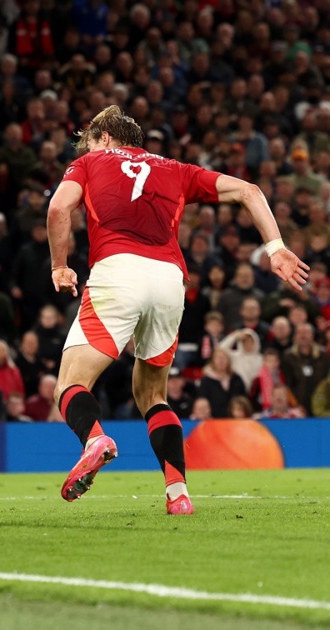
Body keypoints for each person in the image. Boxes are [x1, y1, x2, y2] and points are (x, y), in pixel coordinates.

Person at [47, 106, 308, 515]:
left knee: (69, 383)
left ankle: (95, 439)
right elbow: (250, 191)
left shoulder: (89, 163)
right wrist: (275, 248)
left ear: (104, 139)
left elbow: (58, 209)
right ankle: (178, 494)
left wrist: (60, 265)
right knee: (152, 394)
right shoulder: (177, 169)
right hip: (170, 282)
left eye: (91, 142)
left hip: (118, 270)